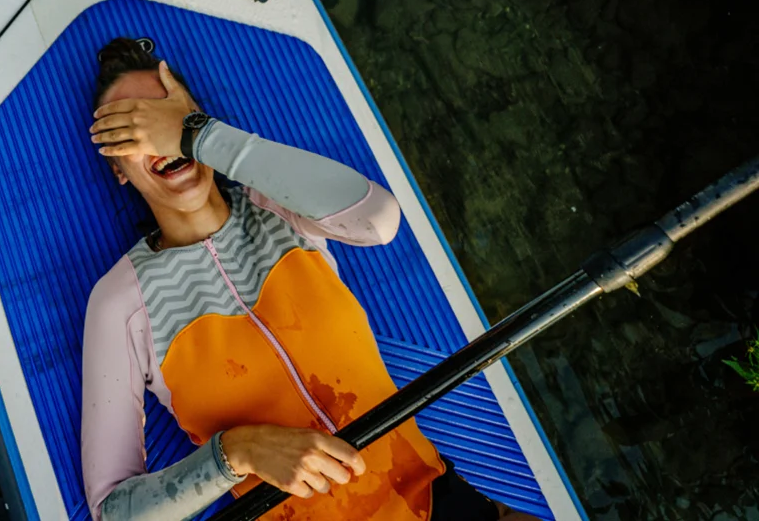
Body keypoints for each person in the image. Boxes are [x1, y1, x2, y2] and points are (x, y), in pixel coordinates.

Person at [80, 38, 537, 521]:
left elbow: (378, 219)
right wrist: (237, 452)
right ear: (118, 170)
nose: (158, 136)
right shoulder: (119, 303)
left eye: (168, 116)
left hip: (437, 500)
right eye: (129, 131)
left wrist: (197, 134)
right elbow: (115, 511)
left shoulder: (281, 209)